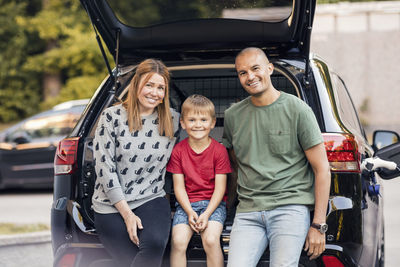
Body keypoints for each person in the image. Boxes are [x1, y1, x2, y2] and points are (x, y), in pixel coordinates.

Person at [223, 47, 331, 267]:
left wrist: (318, 225)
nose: (250, 76)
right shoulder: (232, 116)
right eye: (242, 72)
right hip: (248, 211)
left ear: (270, 69)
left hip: (289, 208)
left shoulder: (298, 110)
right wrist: (225, 209)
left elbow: (322, 169)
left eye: (255, 68)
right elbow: (234, 166)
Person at [92, 58, 180, 267]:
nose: (154, 92)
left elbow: (190, 153)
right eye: (149, 84)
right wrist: (127, 215)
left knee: (155, 245)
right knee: (130, 259)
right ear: (137, 84)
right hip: (110, 204)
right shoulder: (111, 117)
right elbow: (105, 168)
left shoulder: (173, 120)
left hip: (151, 197)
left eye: (161, 87)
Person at [167, 95, 232, 267]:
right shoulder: (178, 151)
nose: (197, 125)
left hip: (214, 205)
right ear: (182, 123)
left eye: (203, 120)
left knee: (211, 240)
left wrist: (207, 214)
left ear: (212, 123)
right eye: (192, 120)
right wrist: (189, 212)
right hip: (187, 205)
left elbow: (220, 189)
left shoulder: (219, 151)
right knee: (178, 241)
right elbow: (178, 187)